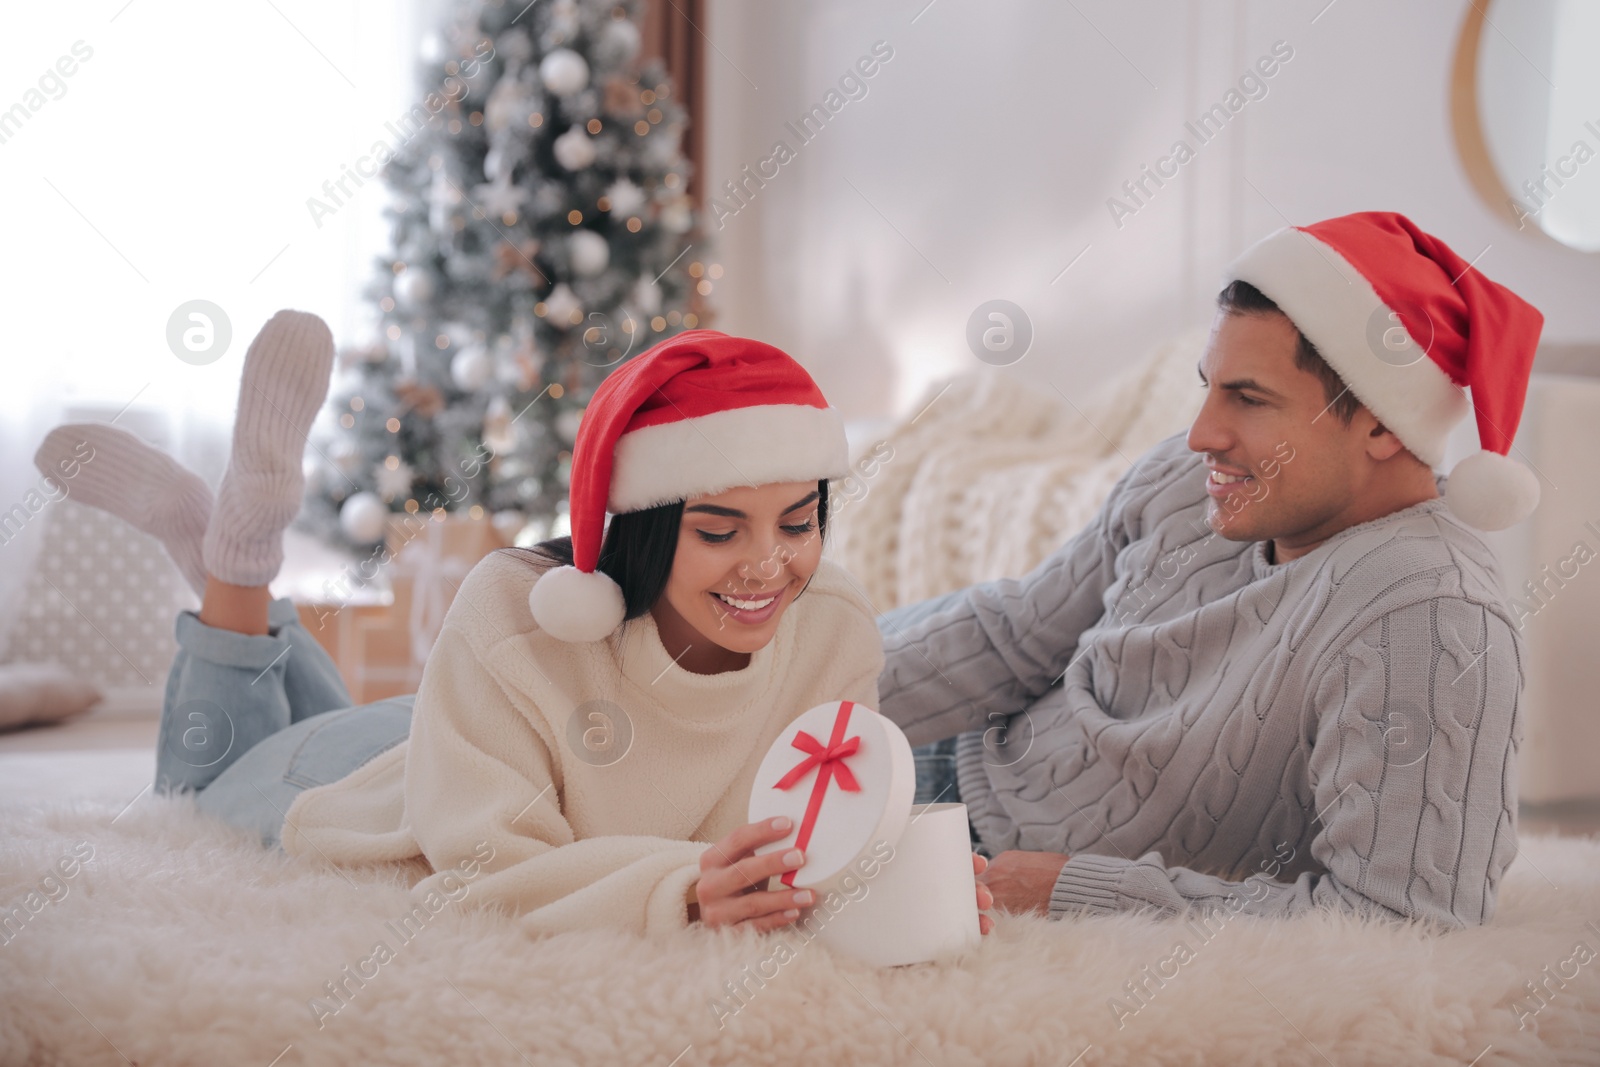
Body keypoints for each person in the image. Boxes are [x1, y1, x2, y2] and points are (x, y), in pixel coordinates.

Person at [36, 319, 994, 938]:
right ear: (649, 525)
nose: (768, 565)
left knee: (303, 718)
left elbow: (831, 820)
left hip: (447, 735)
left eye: (799, 522)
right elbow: (484, 875)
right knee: (194, 789)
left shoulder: (832, 627)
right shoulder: (515, 609)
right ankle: (237, 561)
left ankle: (213, 552)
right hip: (373, 781)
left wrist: (912, 877)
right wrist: (683, 891)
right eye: (717, 529)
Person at [889, 211, 1541, 930]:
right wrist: (800, 686)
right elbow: (1015, 634)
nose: (1201, 434)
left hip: (1002, 869)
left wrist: (1076, 890)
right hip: (939, 759)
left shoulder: (1428, 614)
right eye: (1211, 386)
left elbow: (1405, 923)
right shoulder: (1189, 477)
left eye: (1250, 398)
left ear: (1384, 421)